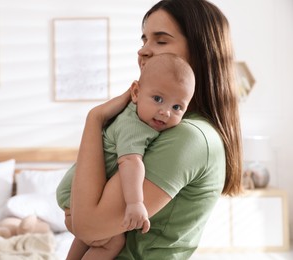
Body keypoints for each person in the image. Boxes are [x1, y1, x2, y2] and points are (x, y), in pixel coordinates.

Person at [63, 0, 243, 259]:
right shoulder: (157, 125)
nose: (143, 51)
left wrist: (94, 119)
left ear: (201, 51)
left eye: (160, 41)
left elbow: (87, 226)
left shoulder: (189, 137)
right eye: (144, 39)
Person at [57, 53, 195, 259]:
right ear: (136, 92)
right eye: (158, 99)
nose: (166, 112)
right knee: (112, 242)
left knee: (86, 239)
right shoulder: (135, 127)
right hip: (76, 198)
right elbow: (130, 162)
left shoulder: (136, 115)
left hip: (73, 194)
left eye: (177, 107)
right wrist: (135, 203)